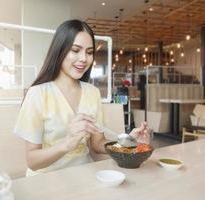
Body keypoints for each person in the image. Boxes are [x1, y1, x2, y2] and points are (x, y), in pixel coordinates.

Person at [14, 19, 150, 176]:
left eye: (89, 52)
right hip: (47, 179)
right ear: (60, 50)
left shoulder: (92, 92)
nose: (84, 59)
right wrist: (67, 143)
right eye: (76, 50)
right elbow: (32, 161)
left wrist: (127, 143)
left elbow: (98, 143)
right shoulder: (37, 94)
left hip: (85, 174)